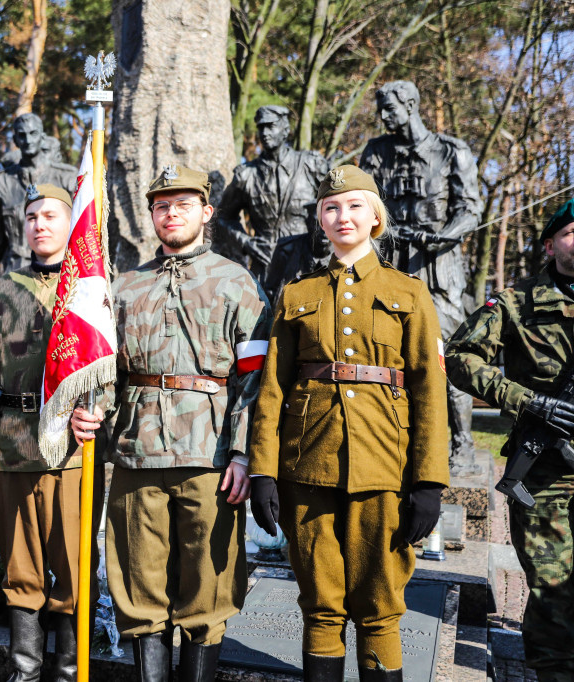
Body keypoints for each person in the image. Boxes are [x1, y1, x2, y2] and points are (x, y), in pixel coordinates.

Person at [249, 165, 449, 681]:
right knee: (320, 597)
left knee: (380, 598)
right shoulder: (297, 295)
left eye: (355, 206)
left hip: (385, 463)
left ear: (375, 216)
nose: (343, 216)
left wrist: (429, 480)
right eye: (331, 208)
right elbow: (273, 389)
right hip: (307, 463)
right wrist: (263, 472)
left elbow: (430, 391)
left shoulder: (410, 293)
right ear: (320, 219)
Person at [72, 165, 271, 682]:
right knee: (139, 586)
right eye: (161, 205)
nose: (171, 213)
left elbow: (256, 380)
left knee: (206, 589)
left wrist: (244, 453)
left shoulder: (236, 282)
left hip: (210, 456)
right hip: (137, 454)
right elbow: (105, 368)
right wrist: (92, 406)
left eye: (183, 204)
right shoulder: (125, 286)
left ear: (206, 212)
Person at [445, 197, 574, 681]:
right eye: (570, 232)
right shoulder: (516, 302)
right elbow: (461, 357)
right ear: (550, 243)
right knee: (552, 588)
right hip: (545, 474)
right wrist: (527, 401)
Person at [0, 184, 102, 682]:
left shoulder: (91, 290)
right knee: (19, 568)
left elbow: (111, 367)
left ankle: (67, 670)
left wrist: (98, 412)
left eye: (51, 215)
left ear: (69, 221)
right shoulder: (3, 288)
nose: (39, 225)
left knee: (72, 568)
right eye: (31, 216)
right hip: (10, 447)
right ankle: (24, 670)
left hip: (71, 450)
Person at [359, 81, 484, 476]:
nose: (383, 117)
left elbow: (470, 210)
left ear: (411, 104)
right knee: (383, 352)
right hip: (390, 265)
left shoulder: (451, 150)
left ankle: (461, 445)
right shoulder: (376, 152)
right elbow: (363, 203)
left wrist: (444, 235)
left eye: (390, 108)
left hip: (437, 268)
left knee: (446, 356)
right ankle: (391, 440)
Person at [0, 113, 77, 300]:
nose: (28, 140)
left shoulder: (67, 178)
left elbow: (84, 232)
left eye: (33, 133)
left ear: (42, 137)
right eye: (22, 135)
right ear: (15, 140)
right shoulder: (3, 182)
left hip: (61, 276)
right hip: (16, 275)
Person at [215, 105, 329, 277]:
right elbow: (223, 217)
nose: (264, 133)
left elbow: (336, 206)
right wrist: (247, 243)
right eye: (261, 128)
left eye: (271, 126)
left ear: (285, 130)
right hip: (266, 267)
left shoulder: (311, 165)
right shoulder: (247, 175)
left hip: (307, 264)